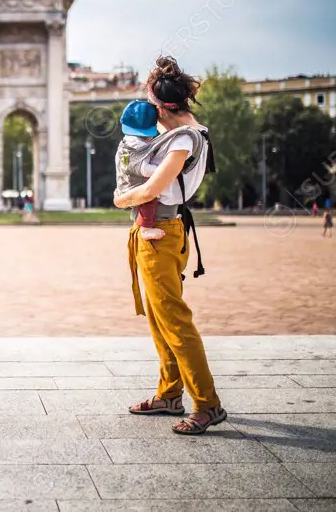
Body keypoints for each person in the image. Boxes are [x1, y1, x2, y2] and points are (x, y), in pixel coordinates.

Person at [114, 56, 225, 435]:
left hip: (162, 230)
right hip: (160, 230)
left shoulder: (183, 139)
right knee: (161, 318)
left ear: (162, 107)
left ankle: (207, 404)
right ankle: (170, 393)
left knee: (175, 319)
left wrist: (120, 199)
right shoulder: (186, 134)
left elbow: (151, 188)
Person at [114, 100, 166, 241]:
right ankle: (146, 229)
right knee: (148, 199)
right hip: (133, 186)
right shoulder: (138, 146)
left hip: (124, 184)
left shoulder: (127, 142)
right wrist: (165, 169)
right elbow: (143, 169)